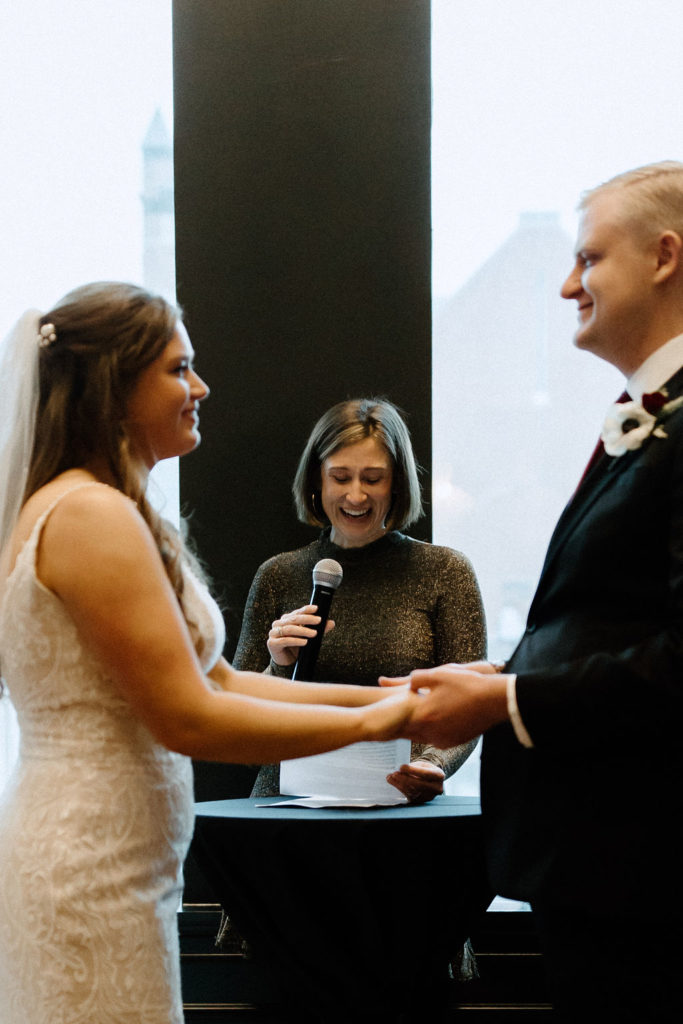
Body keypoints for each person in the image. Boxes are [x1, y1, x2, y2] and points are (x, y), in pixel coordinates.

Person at [0, 283, 416, 1024]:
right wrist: (381, 724)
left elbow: (222, 680)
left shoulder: (106, 505)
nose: (201, 386)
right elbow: (191, 719)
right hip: (88, 863)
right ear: (114, 384)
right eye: (178, 368)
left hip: (118, 860)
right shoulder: (89, 513)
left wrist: (404, 697)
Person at [385, 161, 683, 1022]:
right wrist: (502, 675)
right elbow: (612, 617)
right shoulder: (648, 414)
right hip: (604, 869)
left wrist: (510, 699)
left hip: (647, 872)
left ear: (664, 256)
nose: (567, 285)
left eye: (587, 260)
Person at [233, 397, 487, 803]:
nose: (355, 495)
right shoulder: (277, 575)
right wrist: (279, 667)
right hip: (285, 810)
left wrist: (431, 764)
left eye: (372, 478)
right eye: (341, 477)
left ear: (397, 482)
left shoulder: (445, 572)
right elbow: (234, 722)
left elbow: (467, 707)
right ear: (318, 480)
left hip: (399, 804)